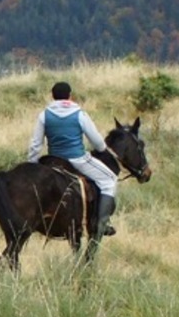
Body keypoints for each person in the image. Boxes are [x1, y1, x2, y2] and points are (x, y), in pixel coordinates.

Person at [27, 81, 118, 242]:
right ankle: (102, 223)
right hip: (77, 159)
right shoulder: (80, 114)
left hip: (53, 161)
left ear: (52, 96)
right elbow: (97, 141)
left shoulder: (44, 115)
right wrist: (103, 148)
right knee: (109, 179)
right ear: (70, 95)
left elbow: (36, 144)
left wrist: (32, 165)